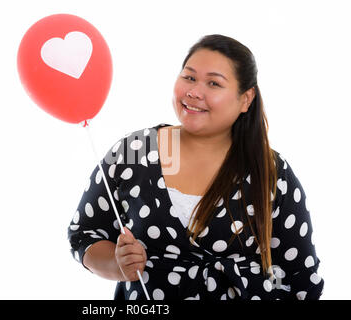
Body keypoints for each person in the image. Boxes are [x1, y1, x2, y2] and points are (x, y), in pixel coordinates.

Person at [67, 34, 324, 300]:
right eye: (189, 77)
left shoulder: (270, 170)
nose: (194, 91)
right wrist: (116, 265)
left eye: (213, 83)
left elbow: (301, 279)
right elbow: (83, 233)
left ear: (246, 99)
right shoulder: (135, 151)